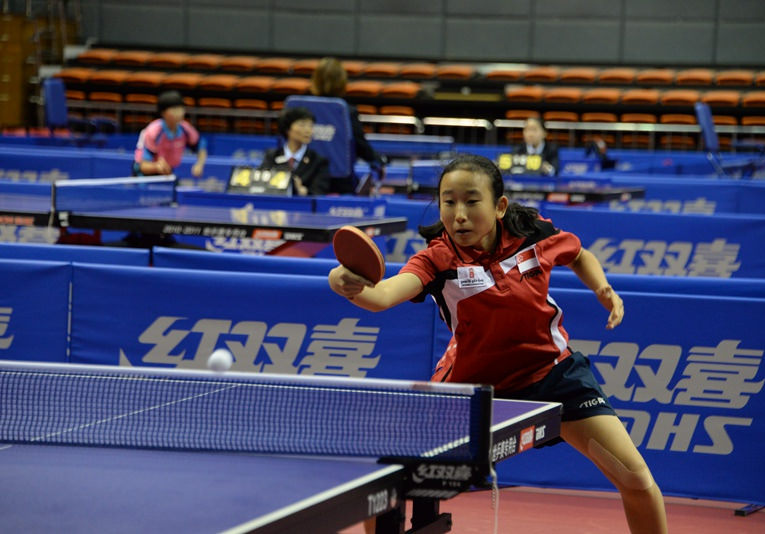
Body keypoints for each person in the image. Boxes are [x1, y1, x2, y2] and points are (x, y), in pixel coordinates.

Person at [328, 154, 668, 534]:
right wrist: (342, 280)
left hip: (552, 374)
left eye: (472, 202)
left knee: (635, 478)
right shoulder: (438, 260)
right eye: (448, 201)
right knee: (390, 480)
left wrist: (602, 287)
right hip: (474, 389)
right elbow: (382, 297)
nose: (459, 214)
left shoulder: (531, 233)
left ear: (499, 205)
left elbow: (579, 254)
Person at [310, 57, 388, 188]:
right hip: (340, 183)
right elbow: (361, 146)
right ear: (342, 82)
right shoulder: (346, 112)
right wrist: (379, 163)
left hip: (308, 178)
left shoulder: (301, 109)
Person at [133, 90, 207, 178]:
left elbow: (201, 146)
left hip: (168, 173)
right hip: (144, 176)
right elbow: (142, 165)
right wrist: (156, 166)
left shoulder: (185, 129)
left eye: (181, 109)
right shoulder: (153, 131)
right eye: (174, 110)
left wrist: (199, 164)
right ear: (163, 113)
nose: (179, 113)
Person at [260, 106, 330, 196]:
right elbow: (261, 184)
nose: (308, 130)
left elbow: (319, 193)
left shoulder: (318, 161)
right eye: (302, 125)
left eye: (311, 125)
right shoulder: (272, 156)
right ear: (288, 129)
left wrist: (303, 191)